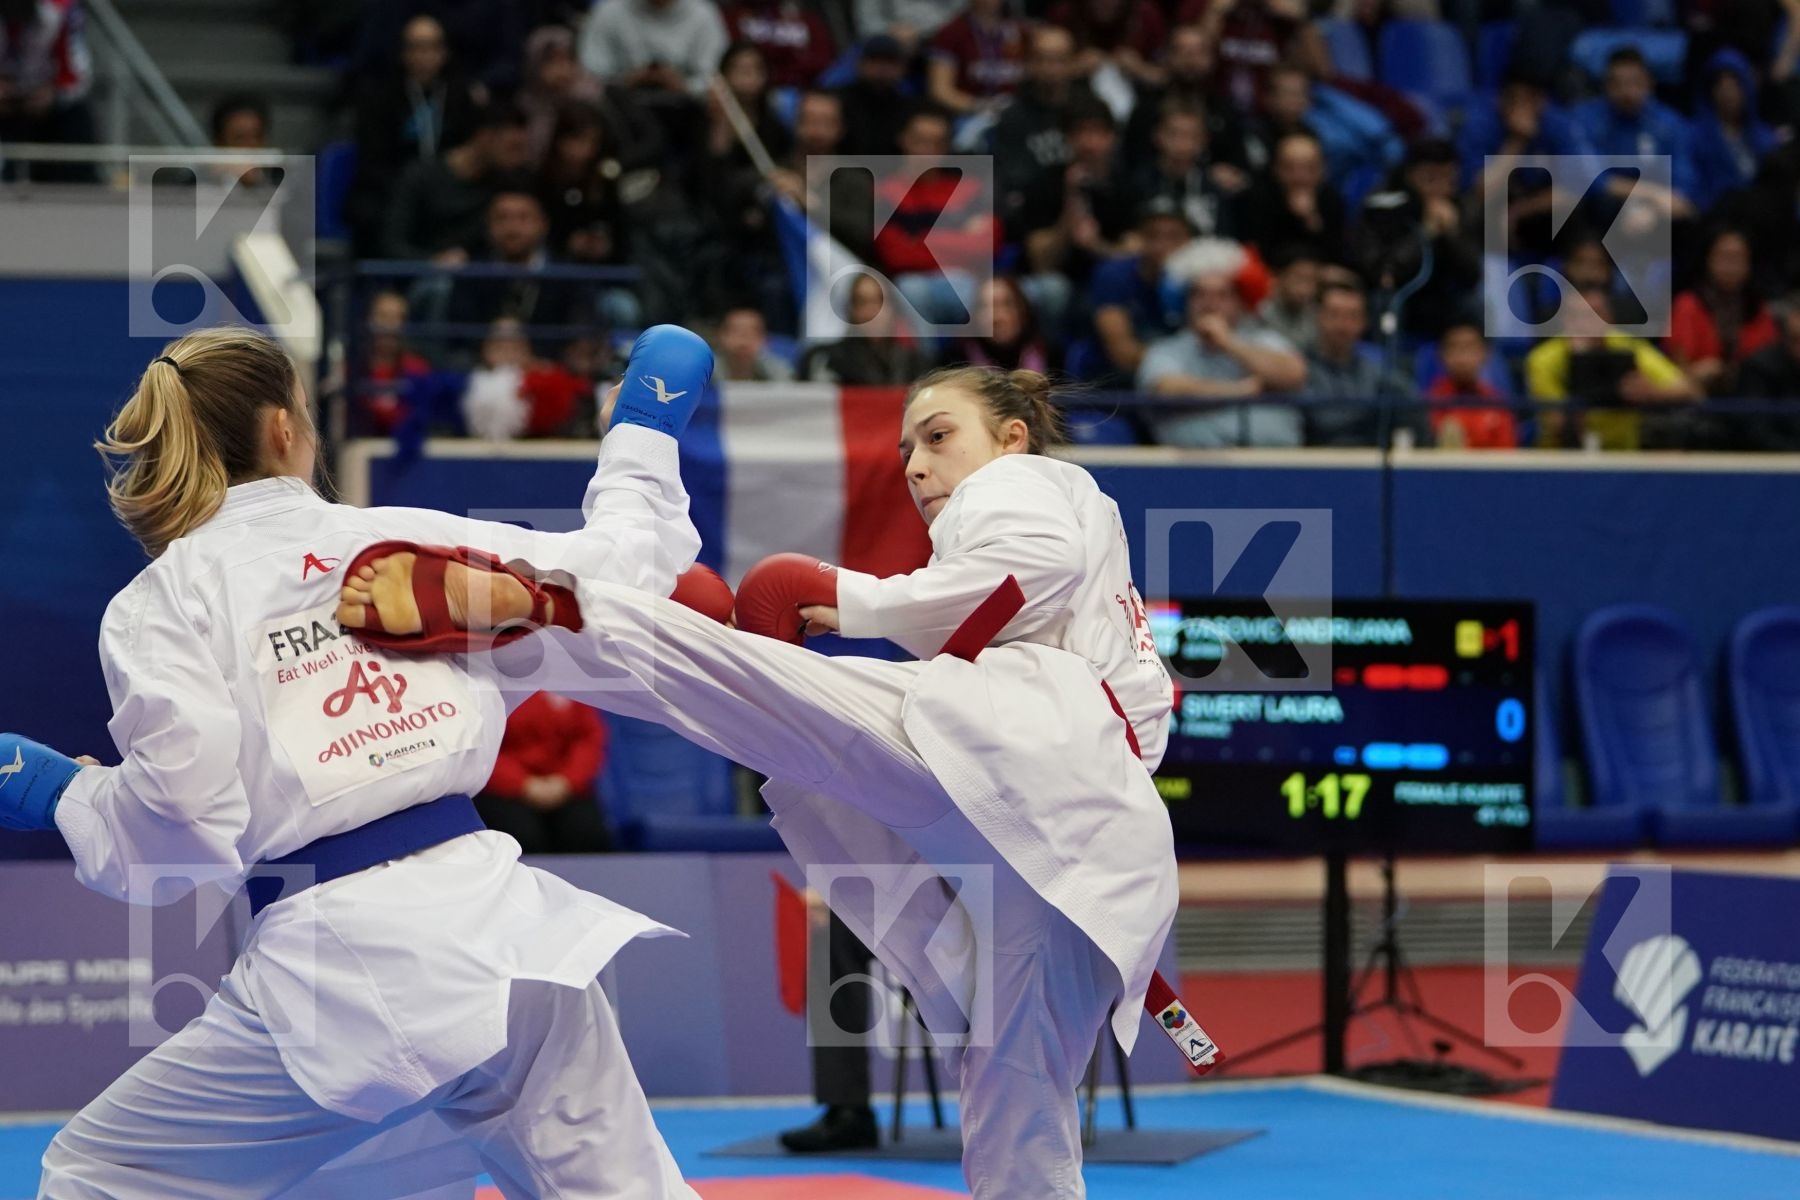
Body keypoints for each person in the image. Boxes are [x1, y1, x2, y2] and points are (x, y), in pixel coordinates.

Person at [335, 365, 1191, 1200]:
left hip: (1027, 756)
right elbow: (1098, 684)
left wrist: (847, 597)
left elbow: (1011, 575)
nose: (919, 466)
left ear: (1010, 436)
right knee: (1019, 1118)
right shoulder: (1088, 550)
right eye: (905, 453)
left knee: (749, 685)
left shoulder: (1022, 483)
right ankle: (610, 620)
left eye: (938, 437)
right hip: (1088, 851)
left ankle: (553, 609)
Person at [0, 323, 718, 1198]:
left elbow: (184, 822)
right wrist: (645, 426)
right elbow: (613, 582)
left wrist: (60, 794)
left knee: (103, 1175)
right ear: (283, 429)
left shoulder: (164, 601)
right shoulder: (406, 539)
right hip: (509, 936)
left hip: (341, 969)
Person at [347, 14, 484, 256]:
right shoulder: (378, 96)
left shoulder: (461, 96)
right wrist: (412, 186)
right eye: (415, 47)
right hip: (392, 187)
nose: (423, 56)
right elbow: (373, 159)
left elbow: (466, 154)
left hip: (445, 189)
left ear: (444, 53)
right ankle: (382, 286)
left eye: (431, 47)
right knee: (368, 211)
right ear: (403, 53)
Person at [1138, 265, 1307, 448]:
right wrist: (1238, 391)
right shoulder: (1166, 349)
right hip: (1190, 466)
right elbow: (1167, 391)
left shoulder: (1266, 340)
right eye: (1199, 294)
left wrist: (1228, 343)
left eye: (1222, 295)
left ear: (1241, 302)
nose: (1209, 304)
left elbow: (1293, 375)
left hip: (1275, 461)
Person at [1527, 286, 1701, 450]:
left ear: (1608, 318)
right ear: (1564, 320)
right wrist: (1580, 370)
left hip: (1623, 455)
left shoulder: (1629, 348)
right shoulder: (1542, 360)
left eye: (1593, 314)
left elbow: (1690, 390)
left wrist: (1652, 392)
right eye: (1576, 316)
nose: (1585, 323)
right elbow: (1555, 423)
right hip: (1562, 456)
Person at [475, 692, 611, 854]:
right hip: (507, 790)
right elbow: (484, 745)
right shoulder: (492, 688)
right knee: (520, 838)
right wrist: (522, 784)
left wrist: (567, 781)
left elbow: (589, 739)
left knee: (587, 834)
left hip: (565, 787)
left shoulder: (572, 687)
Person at [1301, 280, 1418, 447]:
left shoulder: (1378, 371)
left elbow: (1414, 402)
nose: (1342, 326)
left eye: (1352, 317)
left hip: (1368, 463)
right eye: (1334, 314)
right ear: (1318, 317)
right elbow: (1326, 420)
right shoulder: (1298, 370)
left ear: (1364, 322)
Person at [1665, 227, 1776, 397]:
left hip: (1750, 397)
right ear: (1708, 259)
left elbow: (1767, 362)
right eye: (1724, 257)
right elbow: (1677, 367)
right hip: (1694, 397)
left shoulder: (1758, 308)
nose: (1731, 266)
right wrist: (1701, 372)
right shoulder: (1688, 304)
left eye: (1738, 258)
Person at [1424, 323, 1517, 449]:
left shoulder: (1498, 402)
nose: (1462, 359)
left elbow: (1508, 453)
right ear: (1442, 355)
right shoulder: (1430, 402)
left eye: (1469, 348)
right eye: (1454, 348)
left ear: (1484, 354)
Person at [714, 306, 795, 382]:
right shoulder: (706, 370)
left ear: (765, 339)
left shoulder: (779, 371)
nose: (743, 341)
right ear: (721, 336)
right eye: (736, 332)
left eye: (752, 333)